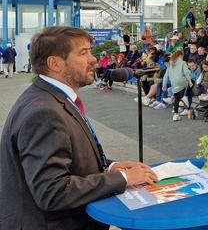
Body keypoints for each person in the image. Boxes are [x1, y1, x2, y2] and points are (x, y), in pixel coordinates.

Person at [0, 26, 158, 229]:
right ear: (55, 63)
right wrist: (122, 178)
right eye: (83, 53)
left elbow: (67, 157)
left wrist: (110, 167)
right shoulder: (44, 112)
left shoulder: (50, 97)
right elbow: (52, 192)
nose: (92, 59)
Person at [163, 49, 192, 122]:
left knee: (176, 98)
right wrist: (190, 81)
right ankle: (185, 102)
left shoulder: (170, 63)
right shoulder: (183, 62)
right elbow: (186, 73)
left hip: (174, 83)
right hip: (182, 82)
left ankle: (176, 115)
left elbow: (166, 76)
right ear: (180, 56)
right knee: (187, 90)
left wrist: (164, 84)